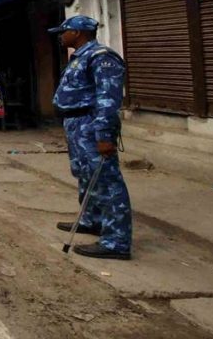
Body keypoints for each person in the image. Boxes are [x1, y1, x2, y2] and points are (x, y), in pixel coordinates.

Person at [49, 15, 132, 261]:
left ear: (77, 32)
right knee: (84, 174)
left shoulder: (101, 57)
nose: (60, 36)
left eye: (63, 31)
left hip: (91, 124)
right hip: (76, 124)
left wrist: (104, 134)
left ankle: (116, 241)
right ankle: (91, 219)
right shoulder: (81, 57)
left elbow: (108, 99)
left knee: (106, 180)